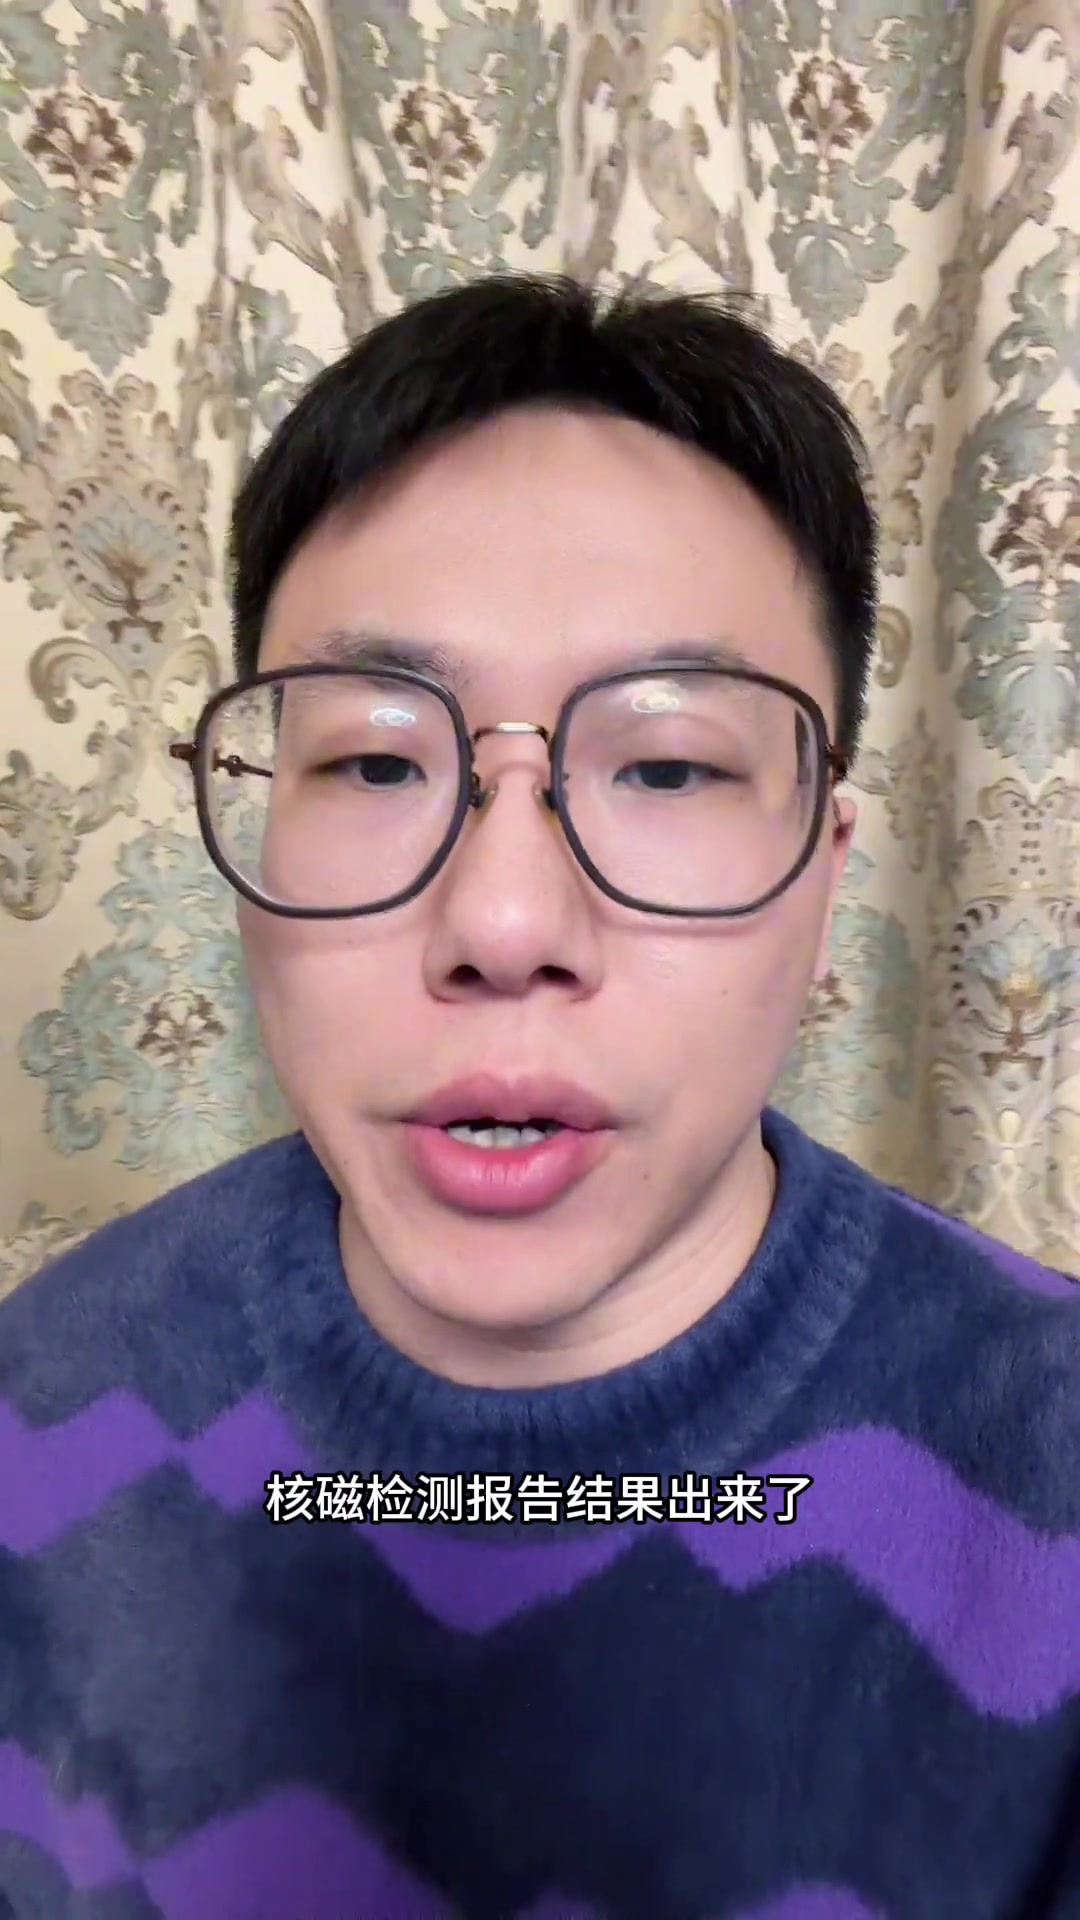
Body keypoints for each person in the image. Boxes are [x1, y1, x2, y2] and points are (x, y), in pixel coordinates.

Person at [1, 274, 1077, 1920]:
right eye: (375, 760)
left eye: (668, 766)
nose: (505, 925)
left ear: (823, 872)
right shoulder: (40, 1414)